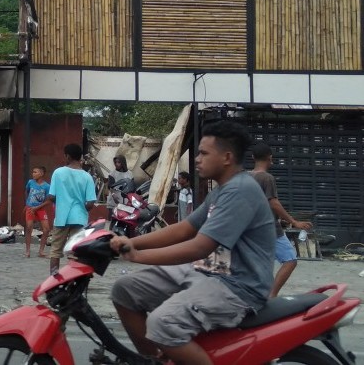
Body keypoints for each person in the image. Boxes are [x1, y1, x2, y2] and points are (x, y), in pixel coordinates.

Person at [109, 121, 275, 365]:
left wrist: (137, 256)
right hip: (206, 273)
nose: (197, 159)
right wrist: (132, 241)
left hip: (237, 286)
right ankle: (152, 361)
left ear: (227, 157)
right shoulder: (220, 190)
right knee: (124, 290)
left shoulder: (241, 190)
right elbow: (184, 228)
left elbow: (199, 246)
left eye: (204, 153)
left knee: (163, 323)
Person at [250, 142, 312, 297]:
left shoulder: (246, 176)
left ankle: (259, 294)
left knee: (262, 264)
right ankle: (272, 295)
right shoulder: (267, 178)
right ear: (270, 158)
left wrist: (281, 220)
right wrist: (294, 222)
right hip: (268, 229)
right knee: (290, 260)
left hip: (251, 228)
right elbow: (273, 202)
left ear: (252, 157)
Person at [46, 143, 96, 274]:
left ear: (67, 156)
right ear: (79, 157)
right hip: (80, 218)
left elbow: (51, 196)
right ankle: (74, 277)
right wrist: (81, 208)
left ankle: (54, 278)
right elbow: (90, 203)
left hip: (62, 217)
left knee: (56, 250)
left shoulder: (58, 172)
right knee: (75, 250)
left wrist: (62, 201)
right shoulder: (87, 177)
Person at [23, 166, 51, 258]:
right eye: (33, 172)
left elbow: (48, 201)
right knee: (29, 227)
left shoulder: (47, 186)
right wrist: (26, 204)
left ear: (41, 174)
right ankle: (27, 251)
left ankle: (41, 251)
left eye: (35, 172)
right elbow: (26, 191)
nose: (33, 174)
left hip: (40, 209)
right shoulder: (30, 182)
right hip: (30, 208)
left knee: (46, 229)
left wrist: (37, 207)